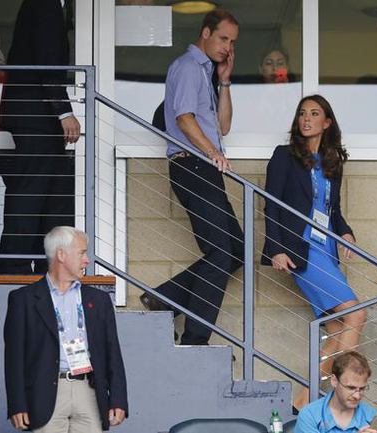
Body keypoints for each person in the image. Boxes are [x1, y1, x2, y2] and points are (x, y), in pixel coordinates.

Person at [139, 9, 245, 345]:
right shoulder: (187, 67)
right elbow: (184, 119)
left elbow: (223, 126)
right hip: (192, 166)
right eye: (223, 38)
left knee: (236, 250)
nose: (228, 47)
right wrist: (213, 153)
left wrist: (225, 80)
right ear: (206, 33)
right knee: (220, 253)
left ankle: (163, 299)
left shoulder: (207, 72)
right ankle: (195, 339)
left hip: (206, 168)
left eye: (233, 42)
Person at [262, 94, 366, 409]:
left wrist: (345, 231)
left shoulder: (333, 161)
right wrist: (276, 249)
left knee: (337, 329)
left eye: (314, 113)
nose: (306, 119)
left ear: (327, 122)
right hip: (301, 248)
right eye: (302, 113)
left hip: (327, 247)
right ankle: (325, 398)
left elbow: (333, 209)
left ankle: (302, 404)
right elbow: (271, 205)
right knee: (356, 314)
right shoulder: (284, 156)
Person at [3, 226, 128, 432]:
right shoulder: (23, 299)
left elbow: (112, 352)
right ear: (61, 255)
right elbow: (14, 358)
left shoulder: (99, 300)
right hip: (45, 394)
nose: (87, 260)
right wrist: (17, 404)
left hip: (89, 391)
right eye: (82, 253)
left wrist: (118, 399)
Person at [0, 0, 81, 275]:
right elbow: (47, 61)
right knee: (28, 203)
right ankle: (12, 275)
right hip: (35, 123)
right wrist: (64, 111)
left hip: (40, 124)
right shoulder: (45, 4)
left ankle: (45, 275)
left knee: (49, 207)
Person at [295, 351, 377, 433]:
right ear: (334, 381)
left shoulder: (371, 416)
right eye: (351, 388)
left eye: (362, 389)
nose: (357, 396)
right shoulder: (309, 415)